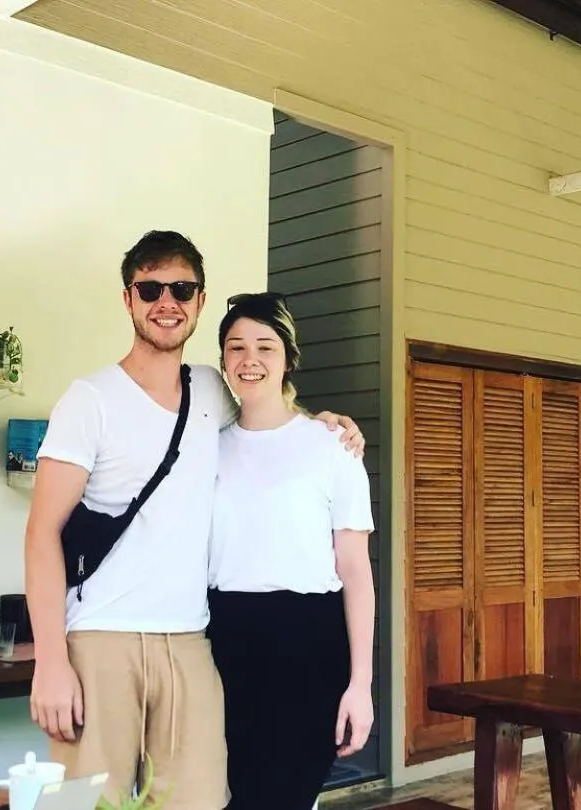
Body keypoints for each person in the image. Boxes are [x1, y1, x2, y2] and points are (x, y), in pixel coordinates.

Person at [23, 231, 363, 809]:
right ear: (128, 299)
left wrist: (326, 423)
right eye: (150, 288)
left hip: (191, 641)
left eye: (181, 289)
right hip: (102, 636)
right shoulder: (90, 399)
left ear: (199, 301)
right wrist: (50, 662)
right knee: (82, 803)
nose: (167, 301)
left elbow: (268, 416)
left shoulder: (209, 390)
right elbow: (41, 533)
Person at [206, 292, 376, 810]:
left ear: (288, 359)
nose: (250, 359)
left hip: (307, 643)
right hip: (223, 640)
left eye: (265, 346)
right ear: (223, 361)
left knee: (283, 794)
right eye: (236, 347)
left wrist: (361, 685)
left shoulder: (332, 447)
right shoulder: (207, 447)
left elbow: (356, 572)